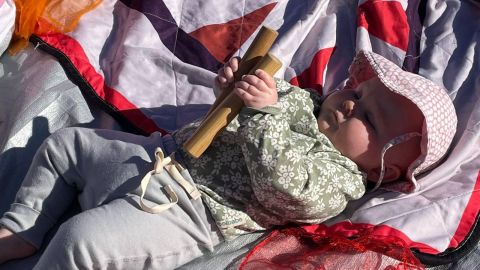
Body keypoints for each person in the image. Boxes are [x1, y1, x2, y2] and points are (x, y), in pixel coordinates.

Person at [0, 50, 457, 269]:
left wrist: (261, 113)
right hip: (160, 157)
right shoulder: (298, 102)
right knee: (66, 144)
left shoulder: (339, 179)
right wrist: (231, 93)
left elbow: (285, 185)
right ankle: (23, 228)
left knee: (83, 241)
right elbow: (224, 123)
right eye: (356, 92)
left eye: (371, 121)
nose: (351, 105)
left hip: (190, 212)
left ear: (386, 167)